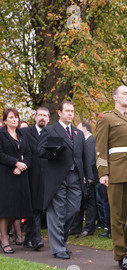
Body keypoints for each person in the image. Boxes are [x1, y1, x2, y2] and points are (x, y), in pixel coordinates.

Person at [95, 85, 127, 270]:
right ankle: (121, 254)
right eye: (124, 93)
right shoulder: (106, 117)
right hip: (116, 171)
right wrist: (103, 172)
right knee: (118, 216)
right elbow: (100, 147)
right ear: (115, 97)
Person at [38, 101, 93, 259]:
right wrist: (53, 152)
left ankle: (60, 241)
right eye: (67, 111)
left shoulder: (78, 133)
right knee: (57, 212)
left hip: (75, 177)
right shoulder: (50, 130)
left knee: (74, 210)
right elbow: (40, 151)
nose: (70, 113)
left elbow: (84, 157)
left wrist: (88, 176)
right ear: (59, 113)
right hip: (57, 177)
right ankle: (58, 248)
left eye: (72, 111)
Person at [0, 108, 33, 254]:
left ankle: (3, 233)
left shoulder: (22, 134)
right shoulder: (1, 135)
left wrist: (22, 166)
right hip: (5, 175)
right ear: (5, 120)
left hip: (20, 175)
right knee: (5, 209)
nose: (14, 120)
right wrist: (15, 163)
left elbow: (28, 154)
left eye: (16, 117)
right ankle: (5, 239)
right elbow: (0, 154)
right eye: (11, 117)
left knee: (17, 209)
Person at [21, 107, 50, 251]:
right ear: (35, 117)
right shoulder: (25, 132)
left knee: (38, 208)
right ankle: (36, 238)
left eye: (45, 115)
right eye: (40, 115)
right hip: (29, 175)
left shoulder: (51, 133)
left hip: (46, 176)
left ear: (49, 119)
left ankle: (29, 239)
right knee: (34, 208)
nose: (42, 118)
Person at [70, 121, 98, 237]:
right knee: (80, 202)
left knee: (89, 203)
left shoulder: (91, 141)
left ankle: (88, 228)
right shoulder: (85, 142)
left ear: (85, 129)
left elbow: (90, 160)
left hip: (89, 177)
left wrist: (88, 176)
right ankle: (77, 227)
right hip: (84, 177)